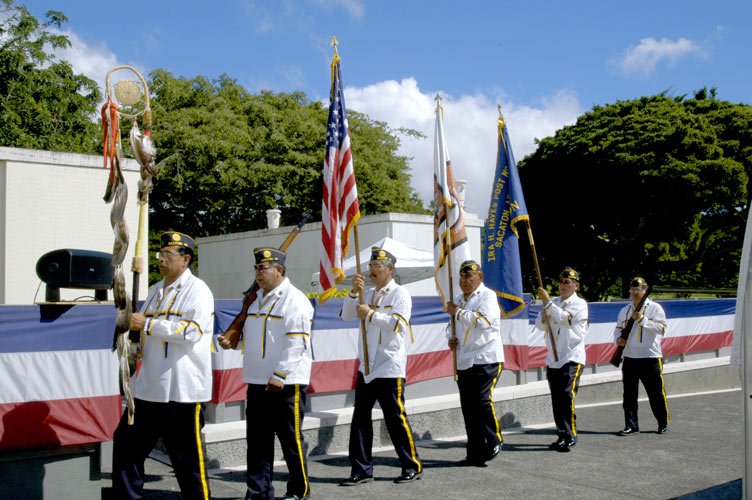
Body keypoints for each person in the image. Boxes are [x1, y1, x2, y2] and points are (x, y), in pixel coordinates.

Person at [112, 231, 214, 500]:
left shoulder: (198, 291)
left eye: (168, 255)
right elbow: (141, 335)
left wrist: (146, 324)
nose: (162, 259)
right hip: (149, 388)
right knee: (126, 446)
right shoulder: (156, 291)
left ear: (186, 259)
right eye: (160, 254)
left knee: (187, 461)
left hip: (181, 390)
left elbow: (192, 331)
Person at [218, 247, 314, 500]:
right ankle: (258, 492)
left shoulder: (294, 299)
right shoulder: (255, 299)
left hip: (285, 383)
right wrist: (233, 341)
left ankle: (298, 489)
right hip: (257, 379)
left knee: (290, 441)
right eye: (256, 268)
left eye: (263, 268)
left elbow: (298, 342)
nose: (258, 273)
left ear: (279, 270)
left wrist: (280, 373)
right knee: (258, 442)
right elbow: (255, 334)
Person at [339, 247, 423, 486]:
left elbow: (398, 324)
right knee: (360, 419)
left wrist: (371, 315)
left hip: (389, 365)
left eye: (378, 266)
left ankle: (411, 465)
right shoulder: (367, 293)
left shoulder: (399, 293)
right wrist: (354, 294)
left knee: (395, 418)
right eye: (371, 266)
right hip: (367, 366)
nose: (373, 270)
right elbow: (346, 316)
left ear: (390, 269)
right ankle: (361, 469)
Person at [446, 260, 504, 467]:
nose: (464, 280)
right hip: (464, 359)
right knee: (468, 408)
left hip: (486, 357)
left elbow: (484, 321)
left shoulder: (487, 296)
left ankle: (495, 438)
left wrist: (458, 313)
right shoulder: (458, 299)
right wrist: (451, 338)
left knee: (481, 400)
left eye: (469, 276)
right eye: (462, 276)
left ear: (480, 277)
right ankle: (476, 452)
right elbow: (451, 326)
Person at [534, 267, 588, 453]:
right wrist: (544, 314)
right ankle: (561, 433)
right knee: (557, 398)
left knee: (566, 395)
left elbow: (566, 319)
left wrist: (548, 304)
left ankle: (570, 433)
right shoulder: (553, 302)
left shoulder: (579, 304)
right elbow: (540, 326)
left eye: (567, 282)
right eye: (561, 282)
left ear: (576, 286)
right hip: (554, 358)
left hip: (571, 356)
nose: (563, 285)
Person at [614, 276, 669, 436]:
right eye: (632, 290)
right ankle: (631, 425)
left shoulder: (655, 308)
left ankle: (662, 421)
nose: (635, 293)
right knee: (629, 394)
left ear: (645, 291)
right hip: (630, 357)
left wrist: (644, 320)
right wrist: (618, 340)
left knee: (656, 393)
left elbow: (662, 329)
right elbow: (618, 330)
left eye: (638, 290)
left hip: (650, 356)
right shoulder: (625, 310)